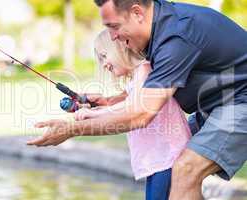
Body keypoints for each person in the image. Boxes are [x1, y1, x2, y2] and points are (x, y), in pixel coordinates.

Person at [27, 1, 247, 199]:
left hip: (241, 100)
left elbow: (141, 113)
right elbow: (147, 94)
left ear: (137, 13)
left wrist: (72, 129)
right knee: (177, 163)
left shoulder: (175, 37)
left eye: (114, 26)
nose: (113, 37)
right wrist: (108, 102)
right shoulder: (159, 34)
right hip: (219, 103)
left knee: (185, 168)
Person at [74, 29, 191, 199]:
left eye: (105, 55)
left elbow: (130, 107)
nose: (104, 63)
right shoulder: (136, 78)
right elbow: (125, 104)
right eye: (101, 59)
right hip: (159, 159)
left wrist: (93, 114)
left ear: (120, 47)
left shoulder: (144, 69)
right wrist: (100, 107)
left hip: (169, 157)